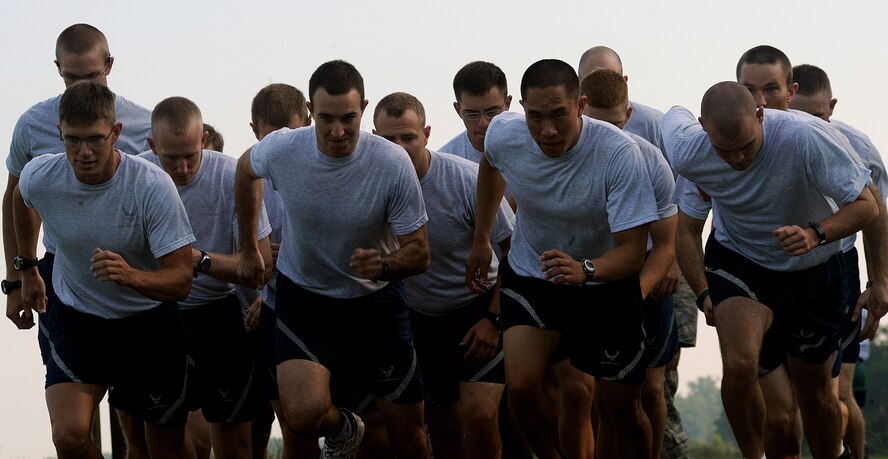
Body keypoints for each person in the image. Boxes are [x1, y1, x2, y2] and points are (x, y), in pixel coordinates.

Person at [664, 81, 880, 459]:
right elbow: (685, 230)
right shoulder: (689, 150)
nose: (738, 160)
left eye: (746, 146)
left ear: (761, 115)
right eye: (724, 151)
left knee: (816, 396)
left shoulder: (805, 138)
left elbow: (868, 206)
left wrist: (817, 233)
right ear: (703, 128)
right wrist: (702, 292)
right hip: (740, 262)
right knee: (740, 364)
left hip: (812, 270)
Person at [235, 60, 431, 458]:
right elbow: (244, 170)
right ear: (310, 111)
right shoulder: (285, 148)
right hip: (305, 299)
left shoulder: (391, 164)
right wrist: (248, 246)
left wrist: (385, 265)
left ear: (364, 109)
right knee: (302, 416)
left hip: (374, 302)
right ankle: (343, 429)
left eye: (348, 119)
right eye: (326, 118)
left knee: (408, 437)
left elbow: (420, 252)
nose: (338, 131)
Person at [466, 58, 658, 459]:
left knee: (622, 411)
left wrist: (585, 270)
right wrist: (482, 237)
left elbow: (633, 252)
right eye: (535, 117)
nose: (547, 130)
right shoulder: (504, 133)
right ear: (520, 109)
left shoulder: (619, 154)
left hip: (605, 284)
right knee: (520, 389)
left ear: (580, 105)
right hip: (535, 275)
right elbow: (490, 165)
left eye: (558, 115)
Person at [13, 81, 195, 458]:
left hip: (148, 324)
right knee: (69, 435)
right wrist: (27, 269)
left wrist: (131, 276)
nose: (84, 152)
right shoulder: (41, 176)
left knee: (164, 449)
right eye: (73, 140)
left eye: (95, 139)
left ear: (116, 133)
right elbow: (20, 197)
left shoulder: (151, 187)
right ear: (60, 132)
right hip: (80, 320)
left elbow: (181, 281)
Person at [373, 91, 515, 458]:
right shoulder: (368, 188)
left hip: (479, 308)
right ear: (373, 139)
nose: (400, 148)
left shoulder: (466, 179)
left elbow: (515, 251)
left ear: (427, 134)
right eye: (388, 140)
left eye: (408, 137)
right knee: (443, 431)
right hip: (421, 320)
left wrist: (494, 320)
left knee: (481, 419)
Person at [133, 97, 272, 459]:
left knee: (235, 440)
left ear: (204, 139)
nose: (181, 168)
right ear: (151, 146)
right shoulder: (133, 177)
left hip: (216, 313)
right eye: (171, 158)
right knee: (163, 442)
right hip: (155, 315)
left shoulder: (231, 176)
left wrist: (199, 261)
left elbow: (260, 269)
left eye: (190, 156)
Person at [4, 23, 152, 346]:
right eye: (72, 78)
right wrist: (15, 280)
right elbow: (14, 199)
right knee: (69, 386)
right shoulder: (32, 125)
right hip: (60, 267)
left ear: (109, 66)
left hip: (133, 266)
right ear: (58, 70)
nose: (82, 86)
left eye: (92, 76)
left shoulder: (146, 126)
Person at [789, 63, 887, 459]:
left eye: (816, 117)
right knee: (792, 398)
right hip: (779, 269)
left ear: (831, 107)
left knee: (838, 392)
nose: (809, 126)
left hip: (838, 267)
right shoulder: (772, 137)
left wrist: (878, 283)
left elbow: (877, 216)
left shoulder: (856, 145)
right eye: (797, 116)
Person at [581, 68, 679, 459]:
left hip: (645, 281)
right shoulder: (565, 155)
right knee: (601, 397)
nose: (609, 135)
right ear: (580, 111)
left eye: (615, 124)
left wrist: (632, 294)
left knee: (650, 389)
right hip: (591, 282)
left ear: (629, 113)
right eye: (597, 126)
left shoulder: (649, 158)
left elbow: (668, 240)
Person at [245, 82, 311, 459]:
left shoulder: (333, 167)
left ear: (308, 118)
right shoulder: (248, 179)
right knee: (291, 426)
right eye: (271, 139)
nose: (282, 147)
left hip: (332, 305)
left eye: (292, 134)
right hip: (273, 309)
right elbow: (240, 254)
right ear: (254, 133)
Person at [440, 61, 515, 210]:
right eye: (472, 114)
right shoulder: (445, 166)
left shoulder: (536, 144)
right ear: (458, 109)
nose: (483, 123)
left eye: (492, 112)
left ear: (507, 103)